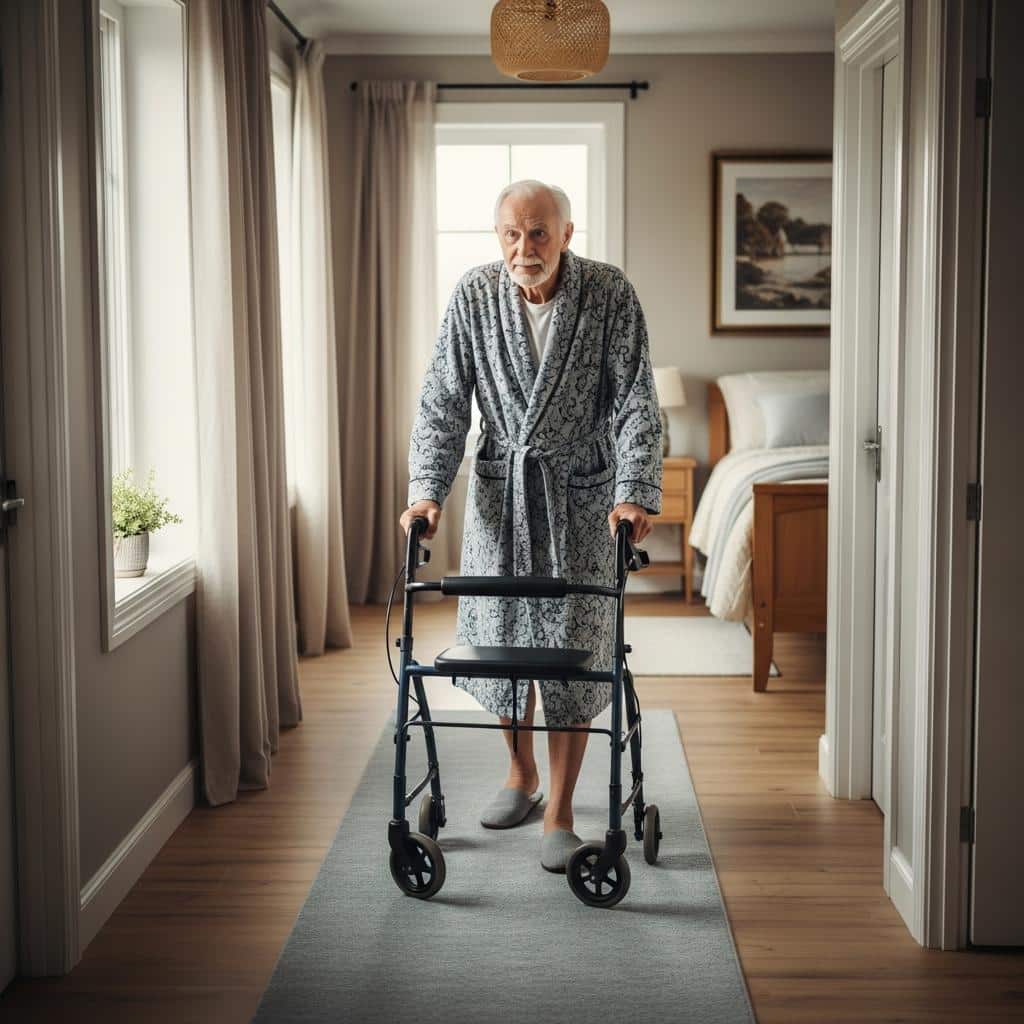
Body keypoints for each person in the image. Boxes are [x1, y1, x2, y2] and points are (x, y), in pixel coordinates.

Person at [400, 179, 662, 872]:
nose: (526, 248)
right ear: (498, 239)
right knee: (501, 642)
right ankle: (520, 774)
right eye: (512, 234)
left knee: (572, 655)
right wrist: (427, 491)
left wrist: (634, 493)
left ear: (568, 234)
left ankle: (562, 809)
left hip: (582, 498)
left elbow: (636, 398)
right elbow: (442, 402)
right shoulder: (473, 295)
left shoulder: (608, 294)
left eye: (539, 233)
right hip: (499, 495)